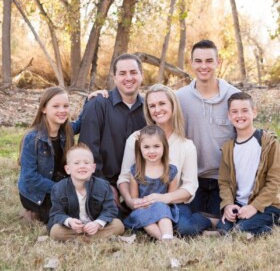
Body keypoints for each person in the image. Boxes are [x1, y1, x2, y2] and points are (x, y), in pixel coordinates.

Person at [118, 84, 202, 236]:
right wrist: (130, 201)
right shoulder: (137, 139)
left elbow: (190, 187)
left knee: (185, 229)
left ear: (173, 105)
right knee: (137, 222)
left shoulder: (186, 145)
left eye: (162, 103)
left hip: (172, 202)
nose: (157, 109)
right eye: (152, 106)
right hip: (143, 203)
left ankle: (207, 221)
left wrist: (163, 198)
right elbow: (124, 178)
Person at [18, 86, 104, 224]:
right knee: (68, 215)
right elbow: (29, 177)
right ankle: (31, 214)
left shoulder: (66, 131)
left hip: (60, 185)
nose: (62, 110)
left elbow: (81, 122)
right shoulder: (32, 138)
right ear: (44, 109)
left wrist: (89, 100)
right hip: (36, 193)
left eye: (66, 106)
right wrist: (62, 188)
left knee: (90, 207)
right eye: (56, 106)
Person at [176, 40, 240, 226]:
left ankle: (213, 222)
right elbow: (152, 106)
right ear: (191, 63)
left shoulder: (234, 97)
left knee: (228, 223)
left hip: (225, 181)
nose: (204, 66)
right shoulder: (179, 98)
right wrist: (101, 94)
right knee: (185, 225)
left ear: (218, 62)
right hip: (191, 179)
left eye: (209, 61)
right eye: (198, 61)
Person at [79, 53, 146, 189]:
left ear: (141, 75)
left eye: (133, 72)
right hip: (102, 183)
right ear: (114, 78)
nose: (128, 78)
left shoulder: (149, 108)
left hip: (139, 185)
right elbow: (88, 150)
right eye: (122, 73)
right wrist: (103, 185)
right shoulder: (98, 104)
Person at [216, 92, 280, 235]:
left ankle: (267, 226)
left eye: (245, 110)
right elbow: (224, 182)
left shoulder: (268, 143)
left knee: (240, 230)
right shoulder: (228, 148)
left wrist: (254, 207)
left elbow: (274, 181)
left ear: (254, 112)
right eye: (235, 112)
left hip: (267, 204)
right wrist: (228, 205)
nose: (240, 115)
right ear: (229, 115)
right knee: (222, 228)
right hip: (239, 204)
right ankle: (249, 227)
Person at [48, 143, 124, 241]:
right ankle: (91, 238)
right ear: (67, 169)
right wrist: (69, 221)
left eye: (86, 162)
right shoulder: (58, 188)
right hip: (73, 229)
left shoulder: (103, 186)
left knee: (118, 225)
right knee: (55, 231)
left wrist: (97, 223)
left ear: (93, 168)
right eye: (76, 163)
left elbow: (110, 210)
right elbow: (56, 213)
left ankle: (81, 239)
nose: (82, 166)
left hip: (96, 226)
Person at [123, 126, 179, 240]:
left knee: (160, 207)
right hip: (143, 210)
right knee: (143, 215)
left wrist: (157, 202)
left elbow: (170, 198)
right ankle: (164, 240)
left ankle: (167, 236)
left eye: (156, 146)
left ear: (164, 147)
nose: (151, 151)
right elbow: (135, 201)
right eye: (146, 147)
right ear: (140, 149)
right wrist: (143, 203)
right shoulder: (135, 172)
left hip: (164, 211)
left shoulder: (171, 171)